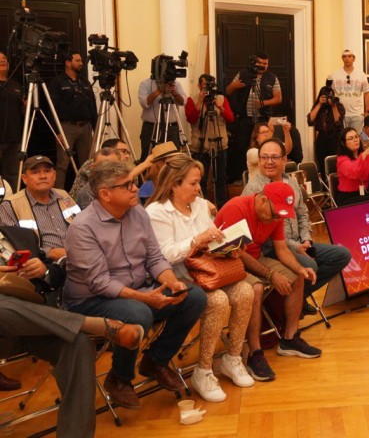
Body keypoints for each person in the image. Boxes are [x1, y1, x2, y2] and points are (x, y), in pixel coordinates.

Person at [63, 161, 207, 409]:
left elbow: (154, 257)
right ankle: (119, 378)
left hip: (136, 289)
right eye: (128, 185)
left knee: (194, 297)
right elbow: (100, 283)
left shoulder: (138, 212)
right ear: (105, 194)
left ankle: (155, 360)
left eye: (133, 182)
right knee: (137, 313)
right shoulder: (83, 228)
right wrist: (146, 298)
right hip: (90, 301)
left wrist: (172, 282)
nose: (135, 188)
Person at [145, 154, 254, 402]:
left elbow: (212, 239)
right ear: (174, 184)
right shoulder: (157, 212)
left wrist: (228, 242)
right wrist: (196, 240)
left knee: (246, 291)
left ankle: (232, 358)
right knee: (216, 302)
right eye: (193, 184)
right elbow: (163, 255)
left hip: (209, 271)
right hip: (180, 276)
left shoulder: (200, 205)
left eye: (199, 183)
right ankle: (203, 371)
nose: (198, 189)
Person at [215, 183, 322, 381]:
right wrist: (272, 275)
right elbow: (237, 253)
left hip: (254, 259)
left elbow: (282, 250)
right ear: (262, 199)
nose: (277, 219)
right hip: (228, 261)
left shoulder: (275, 214)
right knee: (254, 288)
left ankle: (289, 339)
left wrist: (300, 268)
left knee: (298, 277)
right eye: (275, 214)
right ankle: (255, 353)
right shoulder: (236, 208)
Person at [0, 291, 144, 437]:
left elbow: (57, 277)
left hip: (33, 320)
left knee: (78, 344)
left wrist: (45, 270)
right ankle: (93, 325)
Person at [240, 138, 351, 315]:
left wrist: (306, 238)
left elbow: (303, 214)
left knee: (342, 255)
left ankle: (299, 297)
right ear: (259, 160)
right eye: (264, 157)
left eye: (275, 157)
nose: (269, 162)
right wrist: (296, 247)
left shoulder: (291, 182)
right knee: (311, 266)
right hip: (274, 249)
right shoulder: (253, 190)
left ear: (284, 160)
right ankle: (291, 302)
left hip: (300, 242)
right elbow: (261, 234)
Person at [0, 155, 80, 261]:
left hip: (79, 255)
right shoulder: (10, 206)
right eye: (35, 172)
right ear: (24, 179)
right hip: (42, 263)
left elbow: (83, 225)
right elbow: (13, 247)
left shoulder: (64, 196)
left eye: (47, 171)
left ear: (54, 175)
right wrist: (49, 252)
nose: (43, 176)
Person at [226, 52, 282, 182]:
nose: (263, 66)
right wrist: (235, 86)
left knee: (264, 146)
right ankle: (240, 177)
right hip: (244, 118)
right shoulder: (243, 74)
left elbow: (278, 98)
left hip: (263, 119)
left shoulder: (272, 77)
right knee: (241, 147)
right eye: (260, 63)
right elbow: (228, 91)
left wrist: (263, 103)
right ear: (254, 63)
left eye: (265, 64)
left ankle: (264, 176)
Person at [47, 52, 97, 189]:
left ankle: (88, 192)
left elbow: (92, 105)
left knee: (88, 163)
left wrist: (96, 128)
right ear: (68, 63)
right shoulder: (57, 82)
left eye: (81, 61)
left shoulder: (85, 82)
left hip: (85, 126)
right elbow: (51, 108)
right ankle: (58, 194)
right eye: (77, 60)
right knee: (62, 164)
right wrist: (56, 131)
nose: (81, 63)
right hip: (66, 127)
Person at [185, 74, 235, 208]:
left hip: (219, 145)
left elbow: (230, 118)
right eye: (204, 86)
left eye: (210, 86)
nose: (207, 89)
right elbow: (191, 119)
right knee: (199, 179)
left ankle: (222, 206)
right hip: (200, 146)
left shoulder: (221, 99)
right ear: (199, 86)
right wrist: (199, 103)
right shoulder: (192, 99)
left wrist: (220, 107)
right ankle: (200, 205)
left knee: (221, 178)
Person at [138, 74, 187, 161]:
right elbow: (144, 103)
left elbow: (183, 102)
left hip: (172, 127)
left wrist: (175, 93)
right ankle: (147, 175)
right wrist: (158, 91)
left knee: (174, 158)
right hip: (151, 127)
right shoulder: (146, 84)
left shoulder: (176, 84)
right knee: (148, 157)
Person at [335, 128, 369, 205]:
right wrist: (364, 155)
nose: (355, 140)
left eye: (356, 137)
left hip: (365, 193)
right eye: (351, 138)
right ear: (343, 143)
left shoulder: (366, 155)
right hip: (347, 196)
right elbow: (353, 172)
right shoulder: (342, 159)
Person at [307, 84, 345, 176]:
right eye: (326, 96)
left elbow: (338, 123)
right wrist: (319, 104)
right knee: (322, 165)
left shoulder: (338, 105)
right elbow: (310, 121)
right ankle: (325, 185)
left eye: (331, 95)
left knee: (336, 164)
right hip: (322, 138)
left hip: (336, 138)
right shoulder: (318, 106)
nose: (329, 98)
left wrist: (333, 106)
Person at [0, 52, 25, 188]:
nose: (2, 61)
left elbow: (21, 112)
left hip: (14, 138)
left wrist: (26, 106)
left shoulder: (16, 85)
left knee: (12, 175)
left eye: (4, 59)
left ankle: (11, 205)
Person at [331, 50, 369, 135]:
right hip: (341, 114)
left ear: (353, 58)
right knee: (342, 139)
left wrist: (367, 112)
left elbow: (367, 93)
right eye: (344, 56)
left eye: (349, 56)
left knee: (356, 139)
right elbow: (331, 94)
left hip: (357, 114)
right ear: (342, 58)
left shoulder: (361, 75)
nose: (347, 59)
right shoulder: (335, 75)